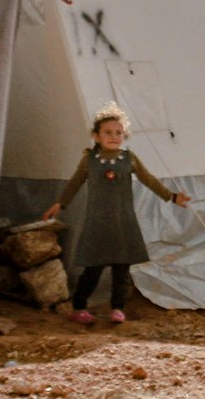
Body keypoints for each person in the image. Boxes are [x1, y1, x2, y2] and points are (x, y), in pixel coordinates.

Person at [42, 102, 190, 324]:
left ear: (124, 135)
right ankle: (79, 308)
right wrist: (60, 204)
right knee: (93, 268)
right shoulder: (89, 160)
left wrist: (172, 196)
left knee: (122, 269)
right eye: (108, 132)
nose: (113, 136)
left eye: (118, 133)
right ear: (96, 136)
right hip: (98, 224)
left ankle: (117, 308)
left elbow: (148, 179)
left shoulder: (129, 158)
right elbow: (75, 183)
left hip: (123, 222)